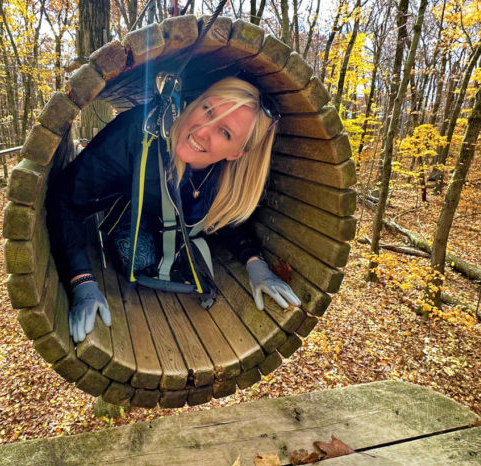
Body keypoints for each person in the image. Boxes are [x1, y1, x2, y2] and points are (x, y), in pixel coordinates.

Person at [46, 76, 301, 343]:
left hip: (178, 233)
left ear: (236, 152)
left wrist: (255, 264)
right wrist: (82, 281)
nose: (202, 131)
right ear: (197, 100)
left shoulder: (227, 173)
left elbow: (226, 216)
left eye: (225, 133)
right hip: (134, 213)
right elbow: (66, 199)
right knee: (133, 253)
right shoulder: (137, 133)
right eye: (207, 109)